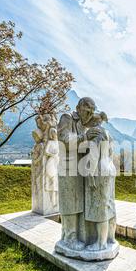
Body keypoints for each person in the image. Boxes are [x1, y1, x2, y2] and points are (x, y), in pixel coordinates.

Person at [57, 97, 102, 250]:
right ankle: (69, 238)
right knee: (70, 202)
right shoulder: (67, 118)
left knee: (78, 203)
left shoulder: (83, 125)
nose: (89, 113)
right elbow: (63, 139)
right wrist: (86, 137)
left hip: (79, 169)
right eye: (87, 109)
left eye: (92, 110)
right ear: (78, 107)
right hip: (67, 168)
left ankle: (76, 236)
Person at [83, 111, 117, 251]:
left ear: (93, 122)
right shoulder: (107, 133)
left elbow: (94, 153)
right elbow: (110, 152)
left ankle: (101, 243)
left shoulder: (94, 132)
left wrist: (90, 174)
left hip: (99, 170)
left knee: (100, 207)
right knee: (109, 205)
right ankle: (111, 238)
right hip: (109, 168)